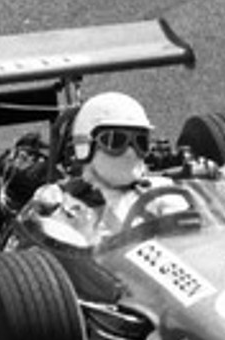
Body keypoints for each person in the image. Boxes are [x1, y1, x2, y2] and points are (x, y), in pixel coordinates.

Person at [27, 91, 179, 243]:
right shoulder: (60, 204)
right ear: (86, 144)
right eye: (116, 141)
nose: (130, 152)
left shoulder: (164, 189)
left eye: (140, 142)